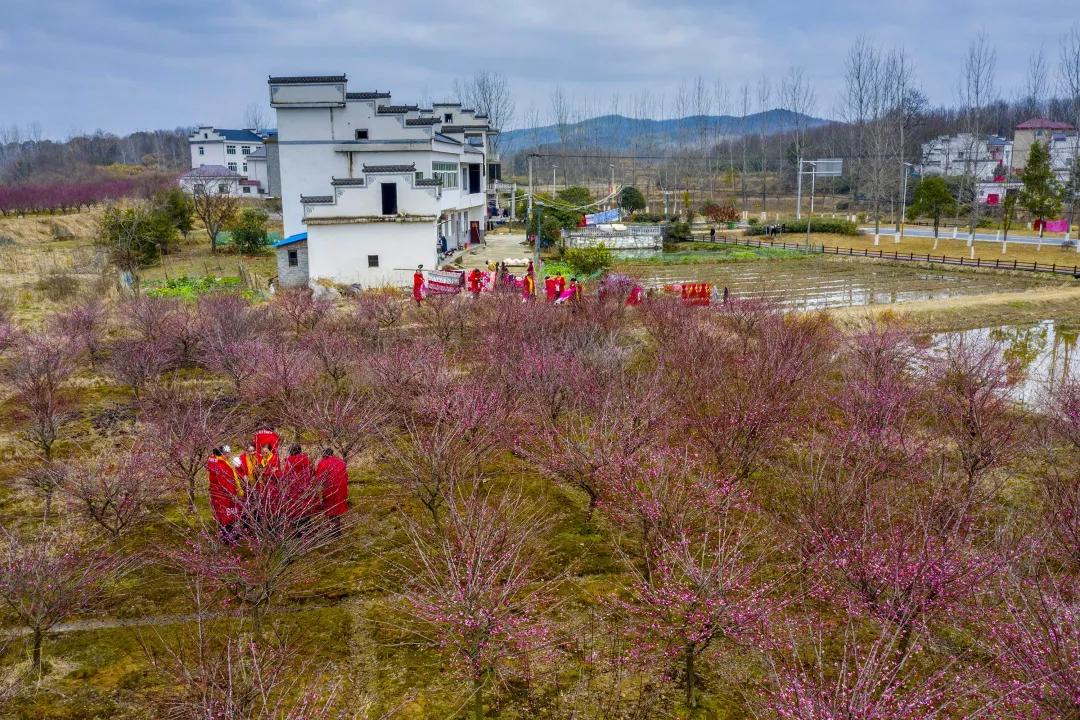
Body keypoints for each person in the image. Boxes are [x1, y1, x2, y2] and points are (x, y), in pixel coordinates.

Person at [207, 447, 242, 541]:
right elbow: (225, 481)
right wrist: (233, 493)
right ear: (223, 453)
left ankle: (224, 533)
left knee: (221, 512)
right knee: (228, 513)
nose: (229, 455)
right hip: (224, 494)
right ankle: (228, 536)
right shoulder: (221, 464)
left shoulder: (213, 460)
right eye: (228, 453)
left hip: (216, 492)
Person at [316, 448, 350, 532]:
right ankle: (336, 528)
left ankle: (334, 531)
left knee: (331, 508)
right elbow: (346, 475)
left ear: (324, 454)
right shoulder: (340, 461)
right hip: (341, 487)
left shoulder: (323, 463)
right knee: (336, 507)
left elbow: (320, 478)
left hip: (330, 487)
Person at [281, 444, 316, 521]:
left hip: (294, 487)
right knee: (305, 504)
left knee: (296, 506)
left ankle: (299, 525)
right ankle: (307, 523)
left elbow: (285, 476)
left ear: (291, 451)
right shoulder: (306, 459)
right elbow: (312, 472)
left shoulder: (289, 462)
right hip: (306, 485)